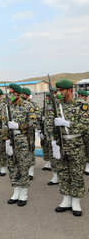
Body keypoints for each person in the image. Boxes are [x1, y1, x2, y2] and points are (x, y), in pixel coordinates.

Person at [47, 80, 89, 217]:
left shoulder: (81, 105)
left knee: (76, 173)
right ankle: (66, 200)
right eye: (57, 90)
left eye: (61, 90)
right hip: (61, 144)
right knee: (63, 172)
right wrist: (52, 141)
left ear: (69, 90)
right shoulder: (55, 106)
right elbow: (49, 125)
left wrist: (68, 123)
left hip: (76, 144)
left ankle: (76, 201)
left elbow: (85, 125)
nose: (58, 93)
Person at [5, 84, 37, 207]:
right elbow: (3, 123)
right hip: (10, 140)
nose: (11, 95)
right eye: (10, 93)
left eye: (13, 93)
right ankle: (16, 191)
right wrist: (5, 139)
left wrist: (19, 126)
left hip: (23, 140)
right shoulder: (7, 107)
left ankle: (23, 193)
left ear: (18, 94)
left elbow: (34, 124)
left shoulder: (28, 106)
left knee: (23, 167)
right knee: (12, 167)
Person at [21, 88, 40, 180]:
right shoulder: (18, 105)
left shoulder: (33, 105)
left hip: (29, 133)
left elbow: (37, 117)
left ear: (27, 95)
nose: (22, 95)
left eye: (23, 94)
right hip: (20, 133)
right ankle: (23, 169)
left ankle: (31, 170)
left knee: (30, 150)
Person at [40, 93, 59, 186]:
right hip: (49, 136)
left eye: (49, 98)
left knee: (60, 158)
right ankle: (55, 176)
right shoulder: (47, 108)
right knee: (52, 157)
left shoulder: (58, 106)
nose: (47, 99)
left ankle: (62, 177)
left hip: (57, 137)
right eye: (46, 98)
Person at [77, 90, 89, 175]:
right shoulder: (76, 106)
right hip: (78, 131)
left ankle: (87, 165)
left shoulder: (87, 106)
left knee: (88, 148)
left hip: (87, 131)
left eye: (80, 96)